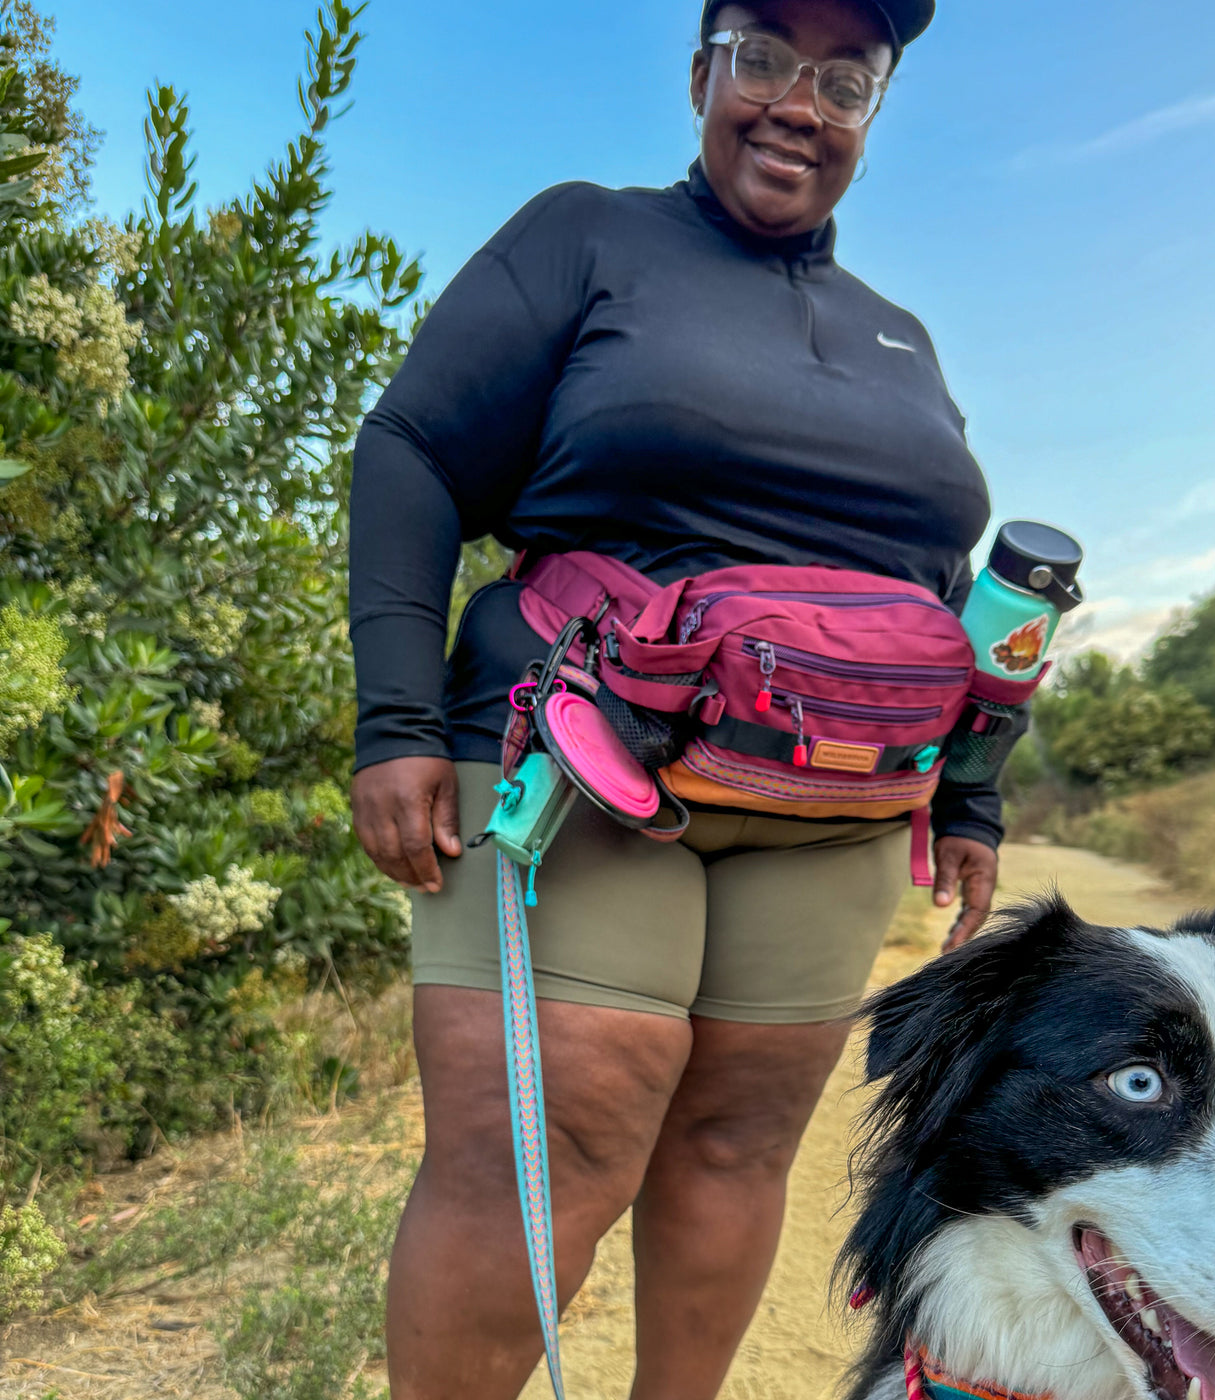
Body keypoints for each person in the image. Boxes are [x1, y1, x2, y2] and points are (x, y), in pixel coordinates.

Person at [348, 1, 1006, 1395]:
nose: (796, 103)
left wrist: (972, 794)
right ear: (702, 66)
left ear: (873, 111)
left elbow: (939, 600)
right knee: (550, 1151)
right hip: (580, 764)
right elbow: (410, 449)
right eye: (763, 56)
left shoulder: (901, 334)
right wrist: (397, 724)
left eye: (845, 79)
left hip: (832, 813)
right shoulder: (590, 237)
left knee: (737, 1148)